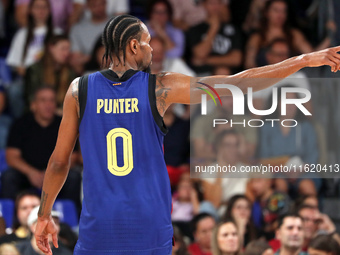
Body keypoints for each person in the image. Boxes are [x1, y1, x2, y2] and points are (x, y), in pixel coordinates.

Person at [33, 14, 340, 255]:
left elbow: (59, 163)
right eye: (148, 42)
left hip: (99, 226)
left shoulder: (78, 90)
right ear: (133, 47)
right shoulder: (159, 87)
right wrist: (302, 61)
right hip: (148, 224)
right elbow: (239, 84)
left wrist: (44, 215)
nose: (153, 49)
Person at [1, 87, 81, 211]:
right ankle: (10, 221)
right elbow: (11, 156)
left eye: (52, 100)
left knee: (74, 177)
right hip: (27, 175)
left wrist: (51, 174)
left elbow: (73, 157)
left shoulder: (65, 124)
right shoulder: (20, 124)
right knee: (9, 176)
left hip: (57, 173)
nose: (48, 105)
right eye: (43, 100)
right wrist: (31, 172)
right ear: (33, 105)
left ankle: (73, 221)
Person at [24, 34, 76, 113]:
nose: (67, 53)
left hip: (61, 115)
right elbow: (32, 100)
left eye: (68, 49)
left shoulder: (70, 72)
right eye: (63, 49)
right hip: (38, 113)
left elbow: (71, 101)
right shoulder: (34, 70)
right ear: (51, 48)